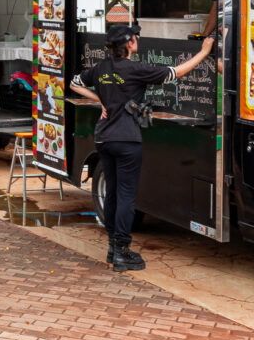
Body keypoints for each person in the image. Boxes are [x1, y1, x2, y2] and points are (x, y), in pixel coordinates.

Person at [69, 24, 214, 272]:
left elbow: (73, 83)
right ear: (130, 44)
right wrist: (203, 53)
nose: (137, 40)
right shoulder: (136, 69)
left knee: (113, 194)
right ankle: (122, 251)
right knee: (126, 196)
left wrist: (100, 100)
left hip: (104, 138)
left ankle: (113, 248)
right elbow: (174, 73)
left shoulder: (101, 68)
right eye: (135, 38)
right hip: (127, 140)